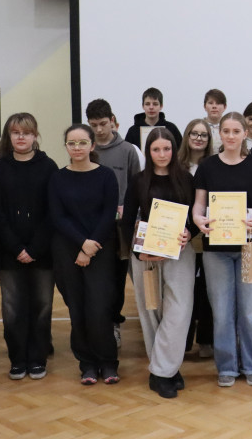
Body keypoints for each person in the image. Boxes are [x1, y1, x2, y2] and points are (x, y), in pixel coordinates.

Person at [192, 112, 252, 387]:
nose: (230, 136)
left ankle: (251, 364)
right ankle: (226, 367)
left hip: (251, 247)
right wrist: (198, 219)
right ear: (220, 134)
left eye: (235, 131)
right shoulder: (207, 167)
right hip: (216, 250)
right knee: (222, 312)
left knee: (250, 311)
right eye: (225, 131)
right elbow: (198, 205)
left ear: (244, 134)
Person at [122, 128, 197, 398]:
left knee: (178, 312)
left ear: (174, 150)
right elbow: (128, 219)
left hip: (179, 253)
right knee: (151, 311)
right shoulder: (139, 181)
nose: (162, 154)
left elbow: (194, 219)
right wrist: (138, 252)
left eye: (167, 149)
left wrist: (191, 233)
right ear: (149, 152)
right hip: (146, 256)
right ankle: (164, 370)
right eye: (156, 149)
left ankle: (163, 368)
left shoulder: (186, 180)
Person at [49, 124, 120, 385]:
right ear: (66, 147)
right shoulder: (57, 178)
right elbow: (58, 216)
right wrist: (81, 244)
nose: (77, 147)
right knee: (77, 309)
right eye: (72, 143)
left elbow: (108, 213)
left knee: (99, 309)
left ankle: (109, 362)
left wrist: (90, 246)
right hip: (67, 250)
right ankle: (87, 364)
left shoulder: (106, 176)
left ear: (92, 145)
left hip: (100, 250)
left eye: (82, 143)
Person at [0, 113, 58, 380]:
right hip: (10, 252)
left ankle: (37, 358)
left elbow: (53, 212)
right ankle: (18, 359)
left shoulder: (49, 166)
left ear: (35, 136)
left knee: (42, 306)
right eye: (15, 132)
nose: (21, 137)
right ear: (9, 137)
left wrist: (34, 248)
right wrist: (16, 247)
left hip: (42, 252)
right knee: (12, 308)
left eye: (26, 132)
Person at [86, 98, 143, 347]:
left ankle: (114, 324)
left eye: (102, 123)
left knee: (118, 280)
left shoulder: (128, 150)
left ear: (112, 121)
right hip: (91, 229)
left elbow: (136, 188)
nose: (99, 129)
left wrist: (127, 212)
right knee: (97, 281)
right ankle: (95, 325)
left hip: (120, 230)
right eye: (93, 124)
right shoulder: (86, 149)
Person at [178, 118, 215, 359]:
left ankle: (206, 340)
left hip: (209, 235)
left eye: (203, 135)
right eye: (194, 133)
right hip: (181, 237)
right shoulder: (176, 166)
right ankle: (182, 342)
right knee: (184, 291)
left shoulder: (214, 165)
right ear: (187, 136)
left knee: (206, 291)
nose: (198, 138)